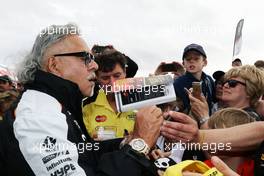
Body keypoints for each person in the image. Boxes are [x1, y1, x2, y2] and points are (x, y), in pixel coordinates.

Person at [0, 23, 163, 176]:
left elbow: (83, 155)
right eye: (85, 57)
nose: (95, 66)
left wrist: (126, 142)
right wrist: (139, 145)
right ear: (54, 65)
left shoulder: (56, 104)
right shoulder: (38, 114)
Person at [83, 51, 136, 140]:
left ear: (125, 72)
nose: (112, 83)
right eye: (105, 78)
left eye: (117, 76)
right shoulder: (86, 107)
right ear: (97, 78)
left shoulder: (144, 102)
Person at [173, 43, 216, 115]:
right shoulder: (177, 83)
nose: (191, 61)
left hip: (208, 122)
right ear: (183, 63)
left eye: (196, 58)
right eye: (188, 59)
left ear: (204, 62)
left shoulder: (209, 80)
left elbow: (214, 100)